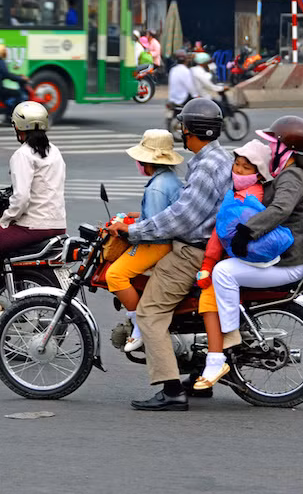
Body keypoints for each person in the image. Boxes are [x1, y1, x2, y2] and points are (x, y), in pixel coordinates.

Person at [107, 98, 232, 412]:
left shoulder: (206, 167)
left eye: (184, 128)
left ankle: (172, 390)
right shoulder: (217, 157)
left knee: (149, 314)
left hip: (192, 252)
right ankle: (197, 375)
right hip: (202, 246)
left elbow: (181, 218)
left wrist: (133, 232)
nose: (181, 133)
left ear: (191, 131)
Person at [211, 116, 303, 349]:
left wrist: (246, 232)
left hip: (288, 263)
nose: (270, 149)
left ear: (286, 148)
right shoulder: (295, 174)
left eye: (273, 144)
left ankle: (230, 333)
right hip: (286, 257)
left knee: (222, 273)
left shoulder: (293, 176)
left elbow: (280, 209)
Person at [0, 101, 66, 325]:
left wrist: (5, 220)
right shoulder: (54, 151)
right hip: (57, 223)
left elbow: (21, 198)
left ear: (18, 128)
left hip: (33, 225)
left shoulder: (22, 155)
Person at [192, 140, 272, 390]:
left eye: (245, 168)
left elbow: (220, 233)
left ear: (257, 173)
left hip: (237, 262)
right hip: (234, 259)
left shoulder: (248, 198)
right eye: (236, 165)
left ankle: (216, 359)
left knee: (207, 299)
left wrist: (208, 263)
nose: (237, 171)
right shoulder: (238, 194)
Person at [106, 130, 184, 352]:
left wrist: (126, 228)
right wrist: (132, 218)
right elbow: (158, 217)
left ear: (146, 161)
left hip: (157, 244)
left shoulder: (157, 187)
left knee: (115, 275)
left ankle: (140, 324)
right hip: (166, 240)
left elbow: (154, 228)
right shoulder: (168, 179)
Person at [0, 44, 29, 112]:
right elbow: (7, 75)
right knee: (17, 94)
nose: (6, 53)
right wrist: (20, 78)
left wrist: (18, 76)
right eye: (5, 51)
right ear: (1, 52)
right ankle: (11, 114)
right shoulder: (0, 62)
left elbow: (5, 74)